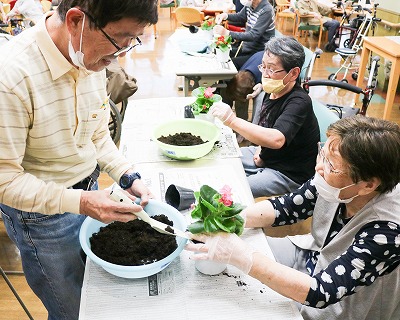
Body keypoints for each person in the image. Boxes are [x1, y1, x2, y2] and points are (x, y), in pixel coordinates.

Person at [0, 0, 157, 319]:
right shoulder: (12, 78)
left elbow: (97, 133)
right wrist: (83, 203)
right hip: (41, 218)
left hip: (90, 191)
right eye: (119, 40)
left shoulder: (89, 56)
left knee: (97, 292)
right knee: (72, 309)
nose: (118, 56)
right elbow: (5, 181)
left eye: (133, 42)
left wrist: (127, 175)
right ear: (75, 21)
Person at [186, 116, 400, 320]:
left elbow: (323, 292)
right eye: (322, 154)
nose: (319, 168)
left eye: (331, 165)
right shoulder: (336, 180)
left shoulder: (387, 231)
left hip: (342, 302)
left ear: (368, 185)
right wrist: (232, 216)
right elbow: (289, 207)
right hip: (313, 255)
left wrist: (243, 257)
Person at [210, 36, 320, 198]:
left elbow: (277, 139)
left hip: (289, 172)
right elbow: (269, 127)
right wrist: (261, 152)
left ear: (294, 73)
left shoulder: (299, 102)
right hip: (269, 155)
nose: (265, 74)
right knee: (221, 159)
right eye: (264, 67)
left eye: (272, 69)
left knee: (233, 189)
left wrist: (232, 120)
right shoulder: (273, 89)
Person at [214, 0, 275, 69]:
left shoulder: (267, 10)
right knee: (219, 53)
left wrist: (228, 33)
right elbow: (241, 16)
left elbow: (253, 35)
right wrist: (226, 16)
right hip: (247, 48)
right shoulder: (250, 5)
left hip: (258, 53)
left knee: (230, 65)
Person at [220, 50, 263, 121]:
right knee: (236, 92)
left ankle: (242, 124)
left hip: (272, 66)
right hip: (258, 57)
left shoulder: (263, 74)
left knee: (246, 99)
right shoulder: (243, 71)